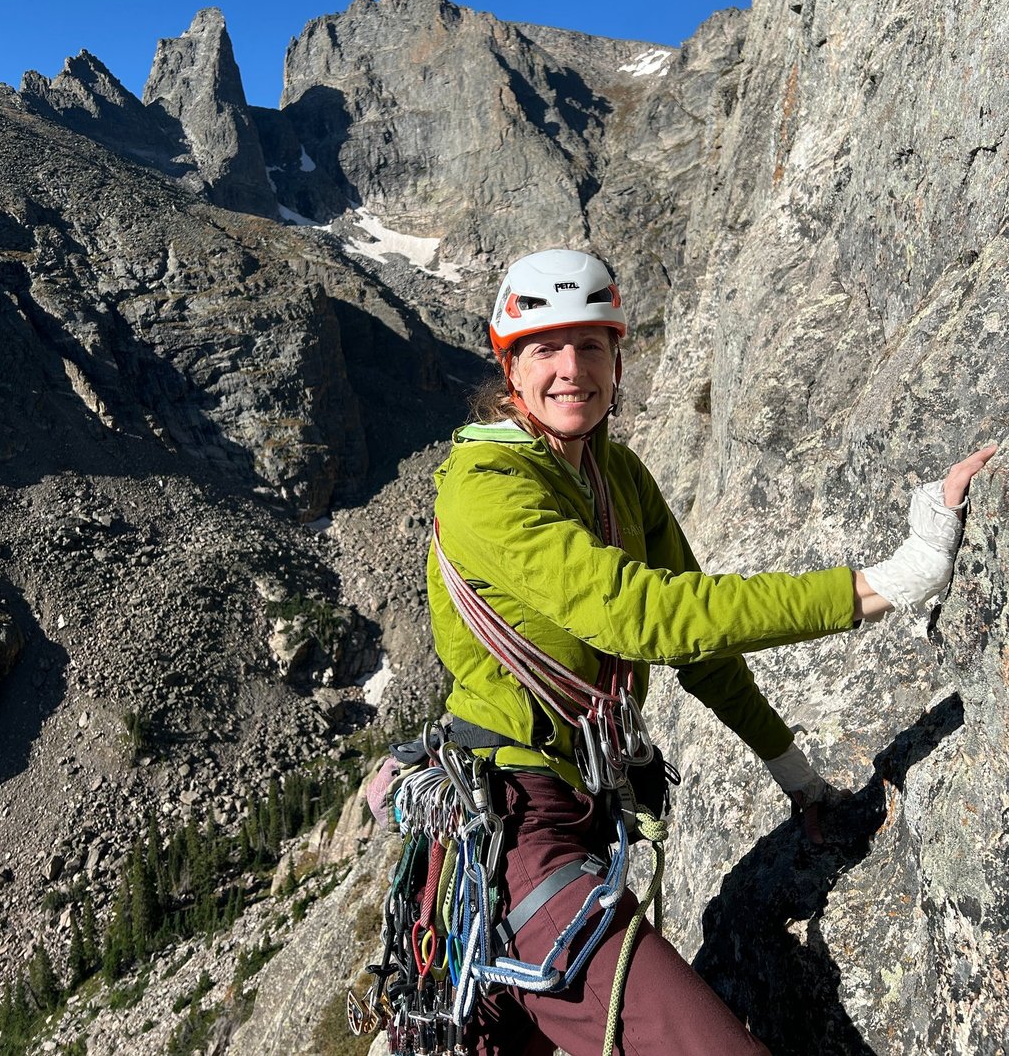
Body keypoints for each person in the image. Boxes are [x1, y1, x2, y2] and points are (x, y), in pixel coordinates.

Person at [423, 248, 996, 1056]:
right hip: (516, 828)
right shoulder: (484, 485)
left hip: (589, 815)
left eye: (591, 345)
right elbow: (645, 616)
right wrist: (892, 581)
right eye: (544, 349)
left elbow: (704, 650)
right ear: (508, 366)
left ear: (617, 359)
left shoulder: (616, 475)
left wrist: (792, 771)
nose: (571, 370)